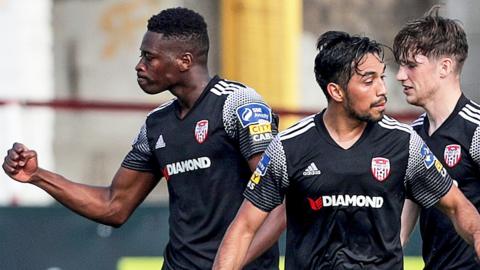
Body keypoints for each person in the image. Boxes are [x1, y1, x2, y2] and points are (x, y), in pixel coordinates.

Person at [2, 7, 284, 270]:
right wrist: (38, 175)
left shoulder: (238, 104)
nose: (139, 66)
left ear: (185, 61)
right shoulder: (156, 123)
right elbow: (114, 205)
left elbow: (279, 202)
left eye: (149, 58)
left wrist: (229, 263)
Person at [213, 30, 480, 270]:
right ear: (336, 92)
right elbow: (244, 227)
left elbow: (457, 207)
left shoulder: (404, 143)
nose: (383, 90)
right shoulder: (288, 146)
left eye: (382, 78)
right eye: (368, 81)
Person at [395, 7, 480, 269]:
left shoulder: (475, 130)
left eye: (411, 66)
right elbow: (405, 217)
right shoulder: (414, 135)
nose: (400, 76)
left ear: (444, 67)